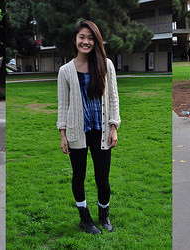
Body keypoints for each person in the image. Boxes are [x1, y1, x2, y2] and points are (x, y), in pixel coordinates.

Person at [57, 20, 121, 234]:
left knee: (102, 179)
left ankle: (104, 216)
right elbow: (63, 104)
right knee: (79, 176)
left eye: (90, 38)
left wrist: (114, 127)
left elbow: (113, 98)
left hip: (101, 131)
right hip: (77, 132)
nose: (86, 41)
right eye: (82, 37)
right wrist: (63, 133)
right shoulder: (65, 71)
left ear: (96, 40)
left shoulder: (106, 65)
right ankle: (85, 219)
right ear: (75, 40)